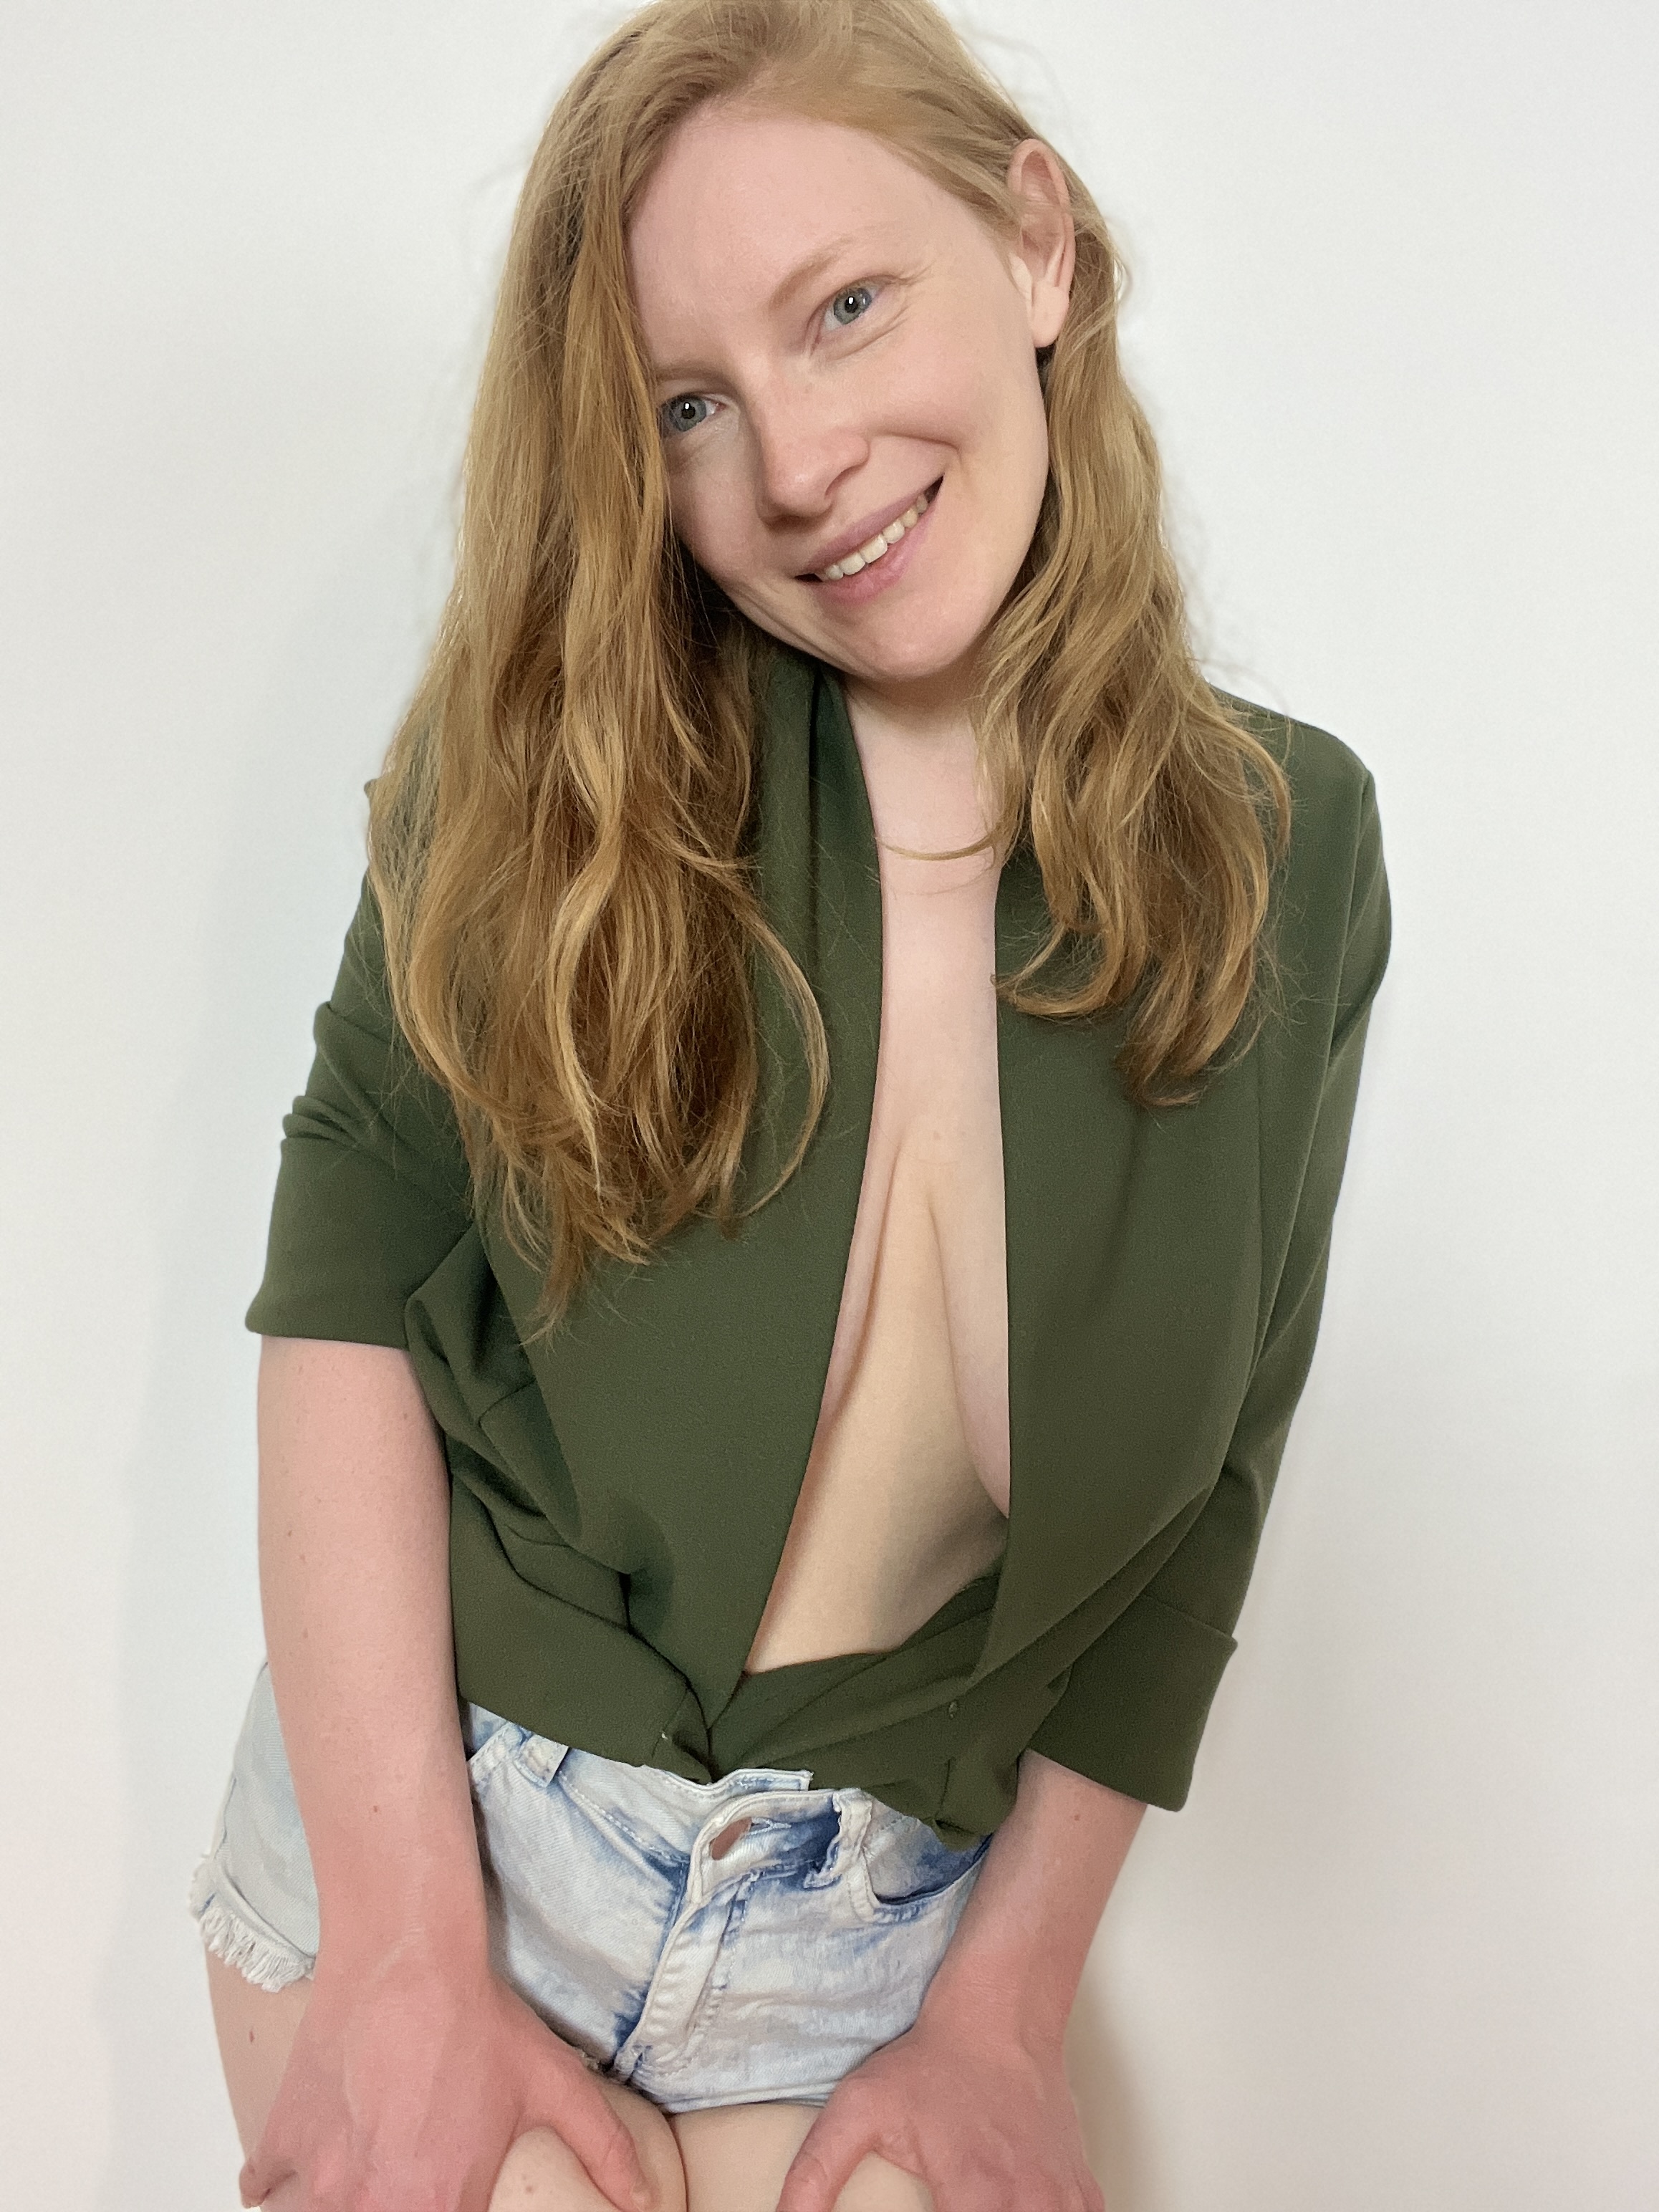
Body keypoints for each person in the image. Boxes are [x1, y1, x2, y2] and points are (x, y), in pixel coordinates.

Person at [188, 1, 1389, 2207]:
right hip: (438, 1841)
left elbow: (1210, 1481)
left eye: (845, 308)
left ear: (1032, 242)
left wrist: (1004, 2015)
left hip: (871, 1947)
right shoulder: (548, 767)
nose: (801, 462)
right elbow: (346, 1289)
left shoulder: (1283, 847)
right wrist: (405, 1958)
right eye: (689, 403)